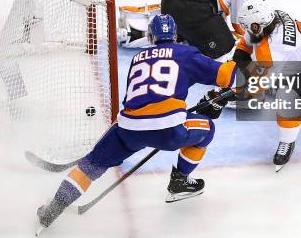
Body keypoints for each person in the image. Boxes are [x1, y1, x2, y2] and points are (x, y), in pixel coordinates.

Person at [36, 14, 237, 231]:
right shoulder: (185, 53)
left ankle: (54, 208)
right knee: (208, 130)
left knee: (92, 165)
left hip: (129, 128)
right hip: (169, 131)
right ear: (176, 34)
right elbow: (227, 76)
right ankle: (180, 181)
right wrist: (241, 63)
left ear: (150, 37)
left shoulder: (137, 58)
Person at [234, 0, 301, 171]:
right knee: (247, 62)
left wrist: (242, 92)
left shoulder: (275, 48)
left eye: (248, 27)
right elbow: (246, 44)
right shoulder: (269, 17)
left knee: (286, 97)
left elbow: (261, 79)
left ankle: (287, 141)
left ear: (257, 26)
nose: (246, 30)